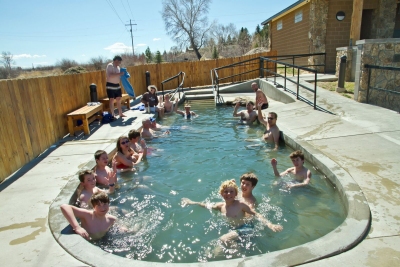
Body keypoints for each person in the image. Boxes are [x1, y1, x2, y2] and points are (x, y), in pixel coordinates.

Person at [181, 180, 282, 244]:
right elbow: (206, 205)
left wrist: (270, 224)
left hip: (246, 228)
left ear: (235, 194)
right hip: (234, 230)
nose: (228, 194)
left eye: (231, 191)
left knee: (223, 239)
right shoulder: (220, 206)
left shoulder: (240, 205)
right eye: (225, 191)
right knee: (217, 251)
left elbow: (255, 214)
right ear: (221, 193)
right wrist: (191, 202)